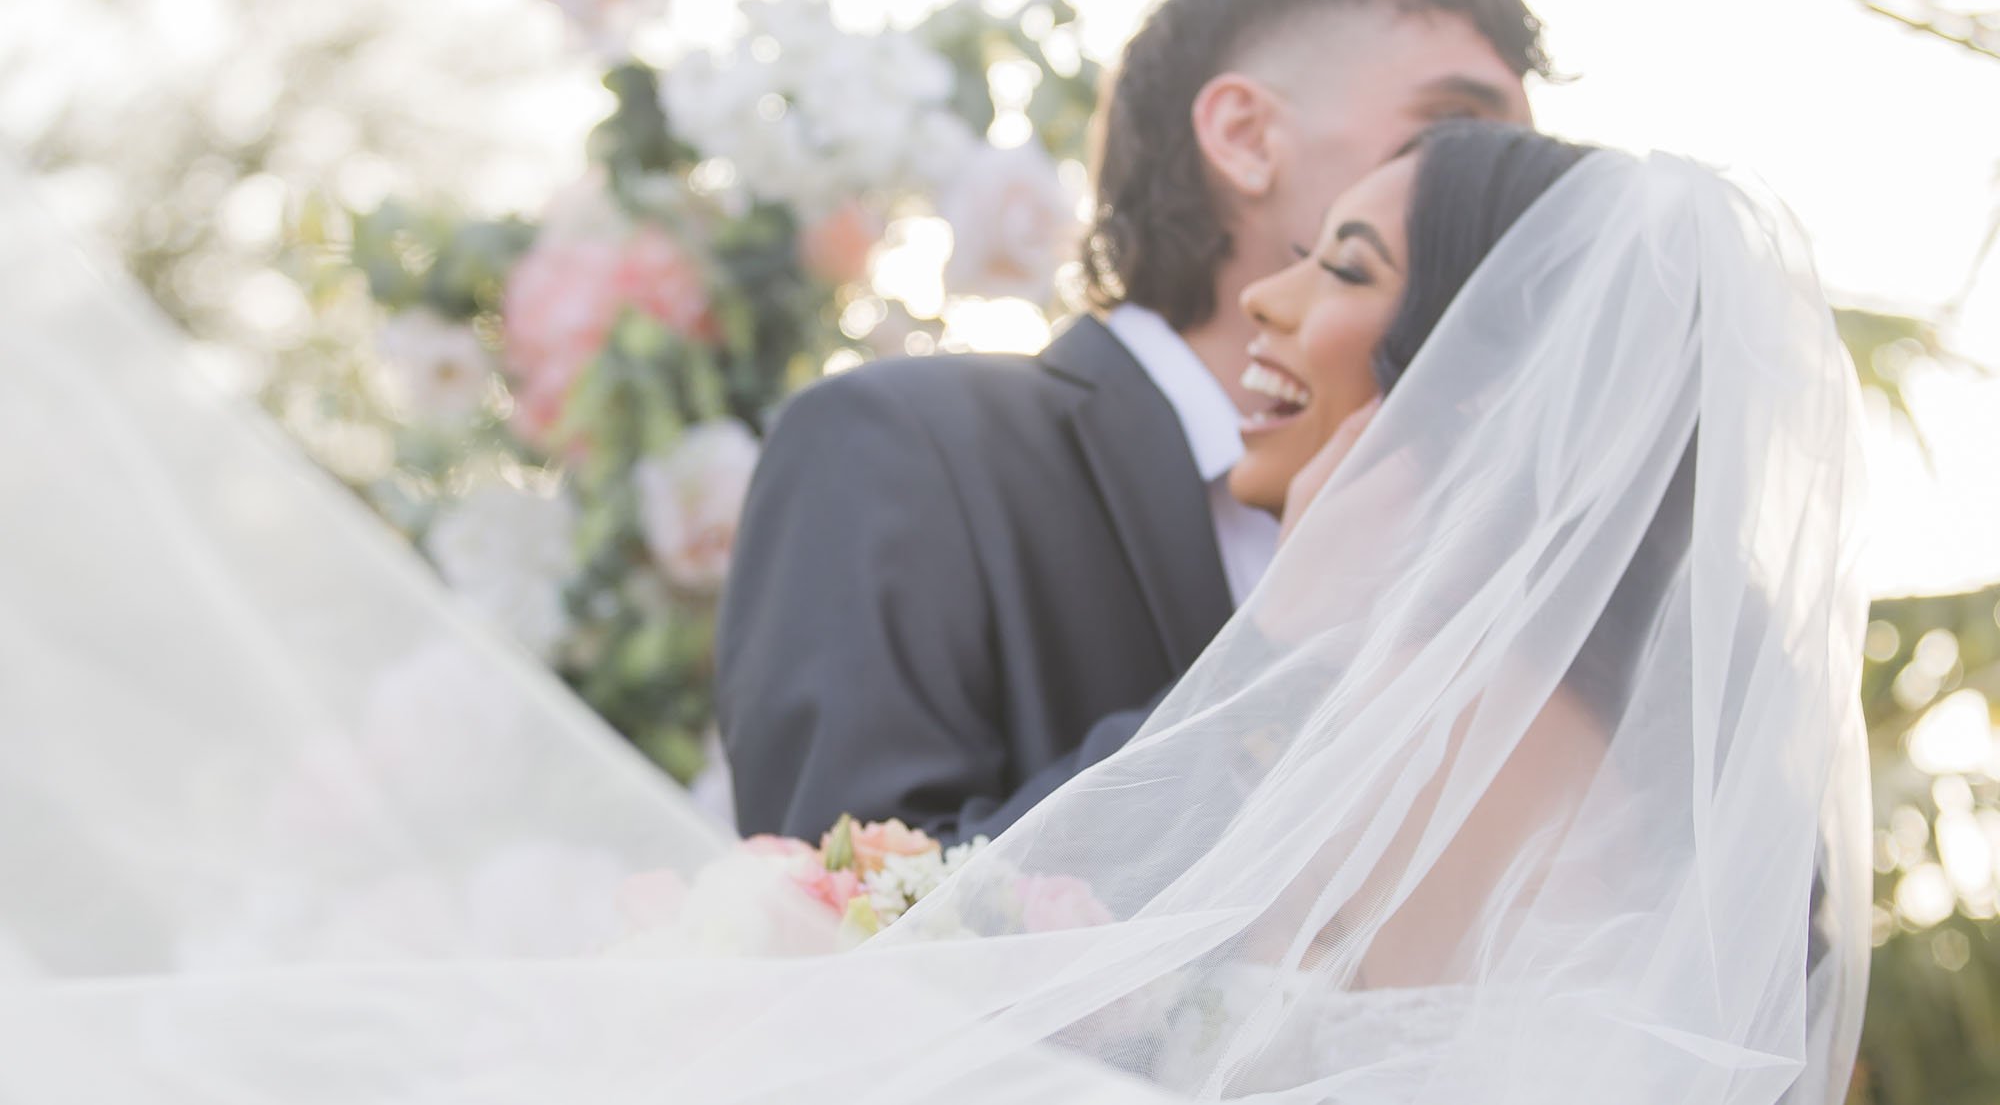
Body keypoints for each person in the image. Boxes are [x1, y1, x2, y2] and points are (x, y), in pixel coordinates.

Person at [0, 121, 1868, 1103]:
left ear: (1467, 363)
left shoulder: (1420, 716)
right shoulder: (1643, 740)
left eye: (1342, 267)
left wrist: (816, 983)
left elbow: (1169, 1004)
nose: (1274, 308)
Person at [717, 0, 1544, 843]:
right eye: (1452, 131)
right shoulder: (898, 448)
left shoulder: (1508, 535)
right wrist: (1279, 654)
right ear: (1243, 134)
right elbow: (840, 928)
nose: (1493, 193)